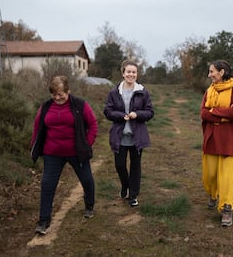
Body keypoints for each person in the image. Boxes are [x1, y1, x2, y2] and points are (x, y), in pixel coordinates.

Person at [30, 75, 98, 235]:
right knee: (47, 185)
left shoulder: (80, 105)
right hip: (52, 154)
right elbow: (36, 127)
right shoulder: (46, 107)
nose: (57, 98)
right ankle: (43, 221)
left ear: (68, 91)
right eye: (54, 94)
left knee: (87, 180)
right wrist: (34, 145)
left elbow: (93, 124)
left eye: (61, 94)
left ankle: (89, 206)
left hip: (76, 152)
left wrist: (86, 144)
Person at [200, 60, 233, 227]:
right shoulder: (209, 91)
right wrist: (223, 116)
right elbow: (203, 113)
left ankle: (227, 208)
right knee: (210, 174)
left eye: (212, 71)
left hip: (230, 139)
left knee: (227, 177)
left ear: (221, 72)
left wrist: (214, 112)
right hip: (212, 137)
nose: (209, 75)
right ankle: (213, 194)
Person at [103, 60, 154, 207]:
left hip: (137, 136)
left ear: (137, 74)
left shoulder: (143, 92)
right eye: (128, 72)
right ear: (123, 73)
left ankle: (133, 195)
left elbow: (150, 112)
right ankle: (125, 185)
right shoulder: (114, 92)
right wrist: (120, 116)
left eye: (134, 72)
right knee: (119, 165)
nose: (131, 74)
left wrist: (137, 114)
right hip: (119, 136)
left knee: (135, 166)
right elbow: (107, 111)